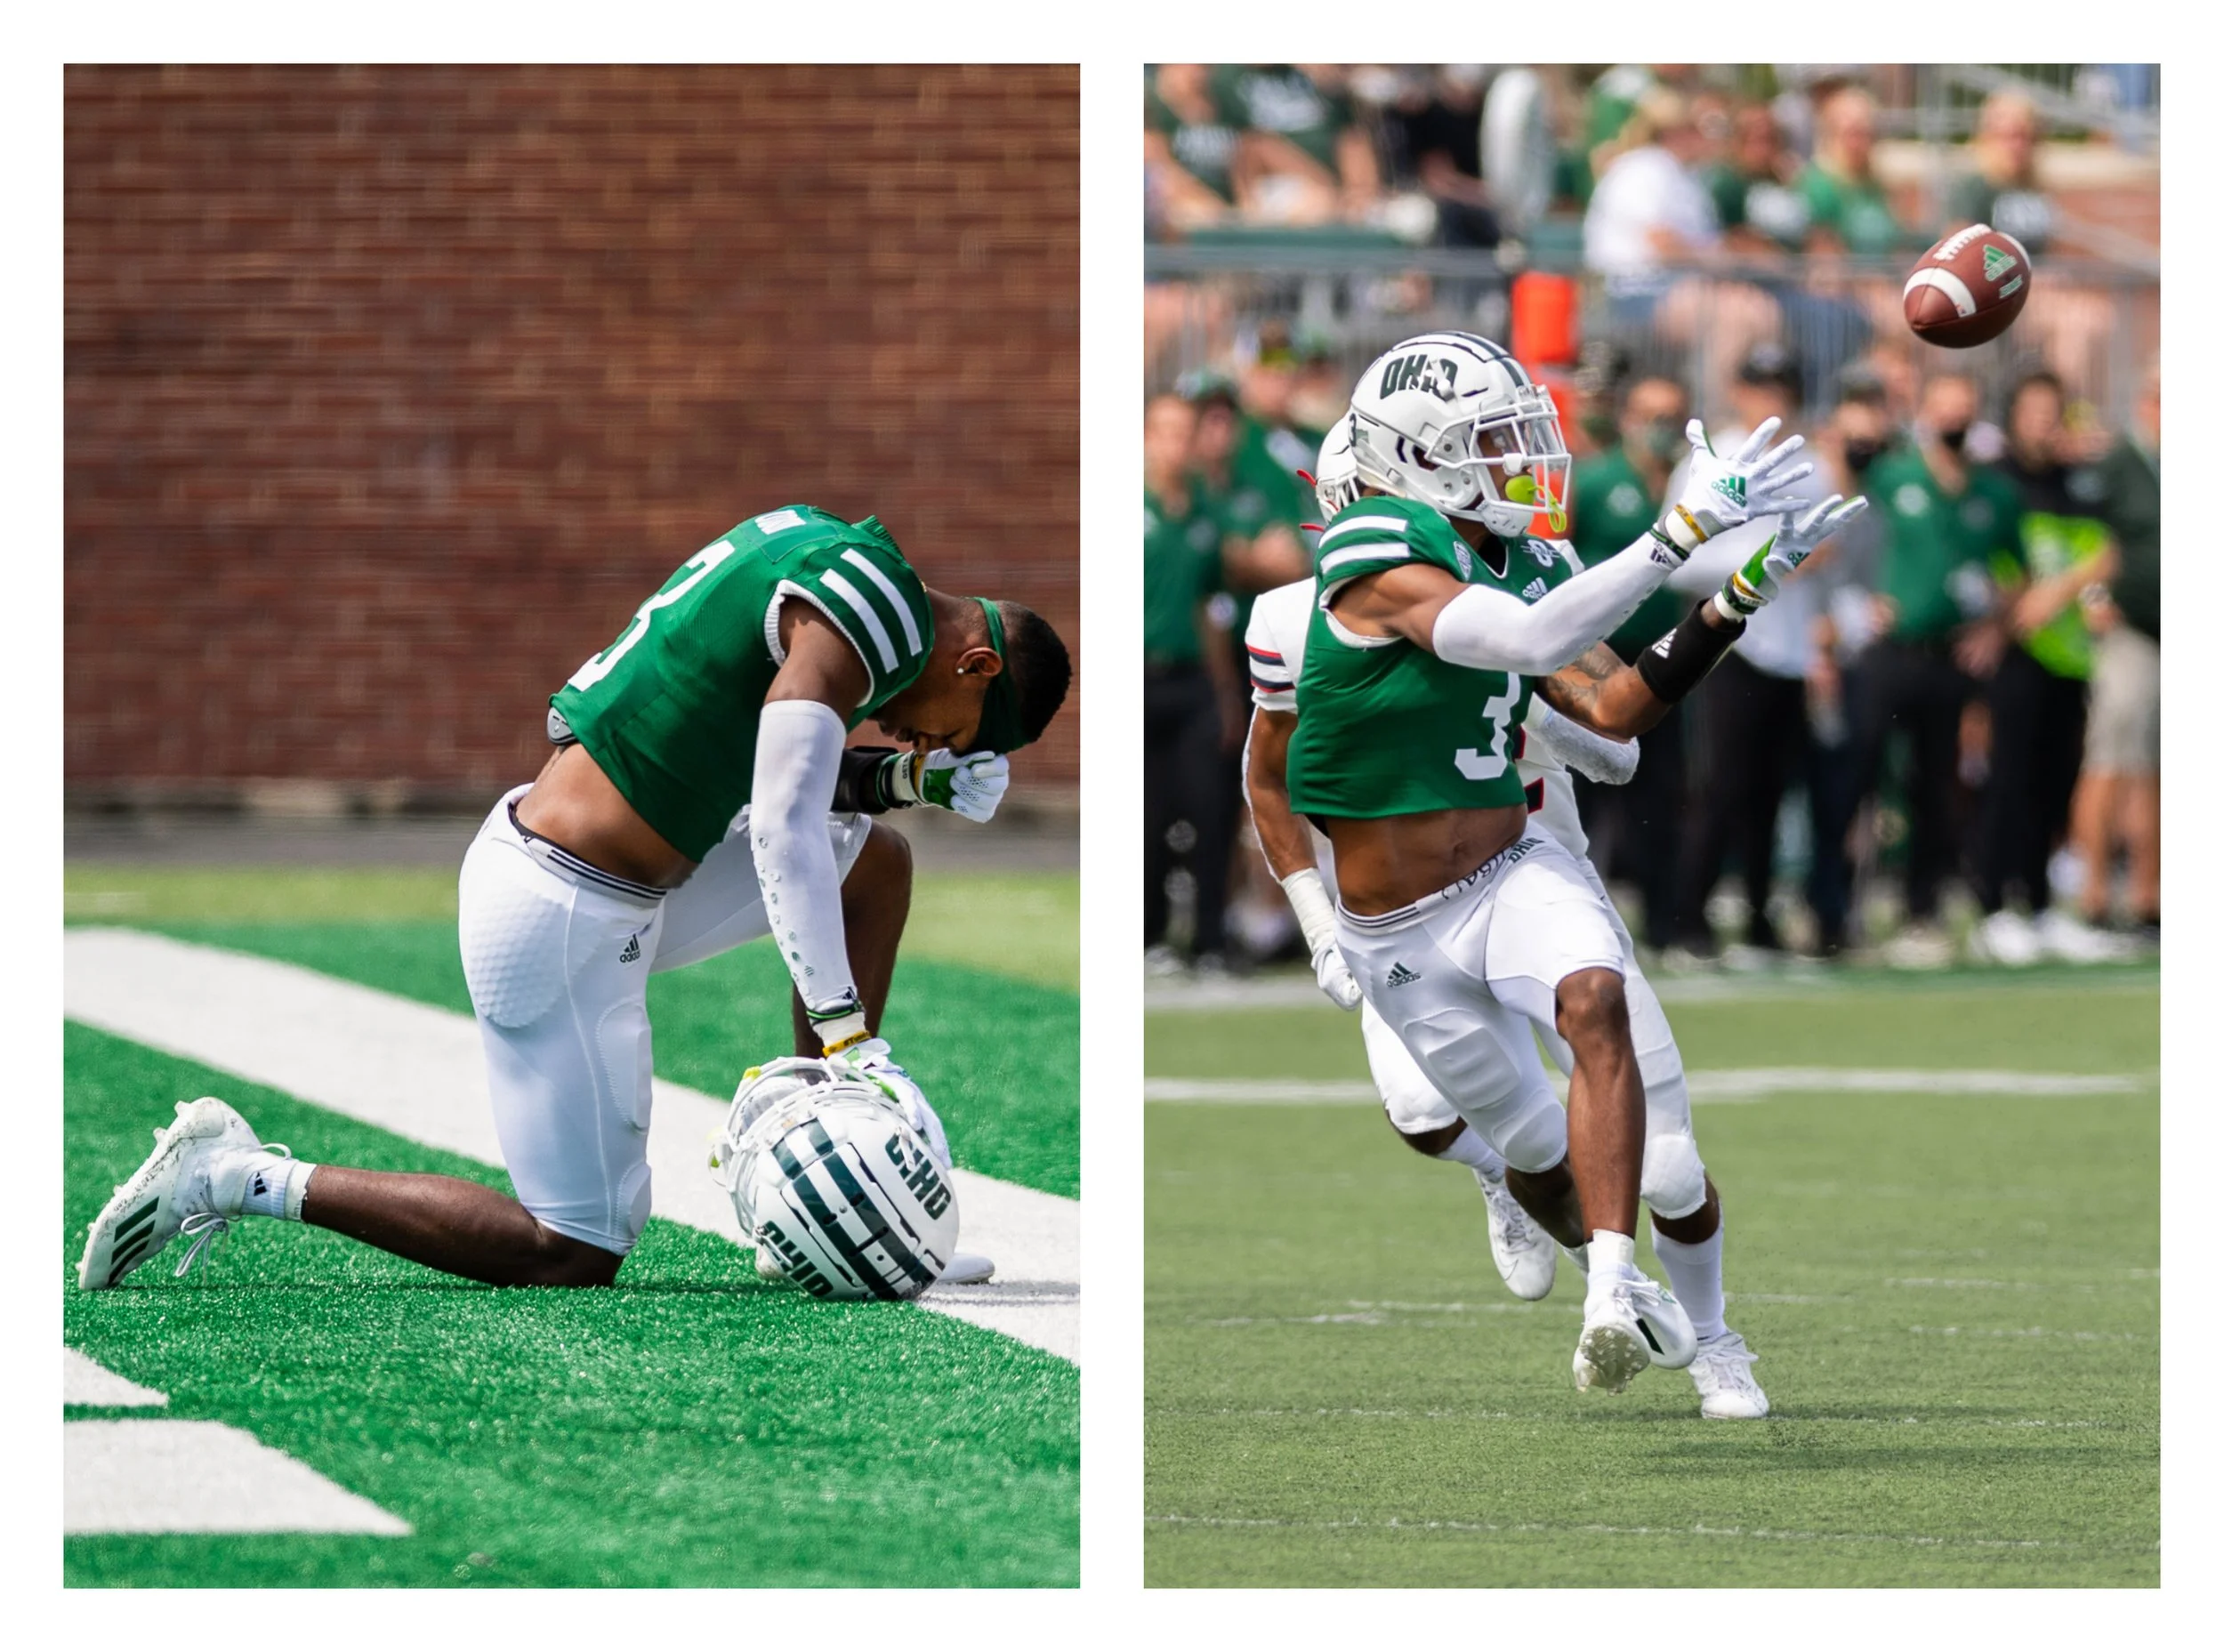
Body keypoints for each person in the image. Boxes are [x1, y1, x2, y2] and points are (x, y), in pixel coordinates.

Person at [79, 505, 1071, 1293]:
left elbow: (751, 769)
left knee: (875, 865)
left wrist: (905, 784)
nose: (918, 739)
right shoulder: (877, 616)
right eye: (950, 734)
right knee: (572, 1248)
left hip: (615, 880)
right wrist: (848, 1035)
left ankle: (815, 1165)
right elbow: (780, 821)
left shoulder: (839, 564)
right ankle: (232, 1174)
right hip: (556, 912)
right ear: (976, 664)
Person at [1241, 425, 1851, 1416]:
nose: (1510, 469)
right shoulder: (1315, 599)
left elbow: (1614, 734)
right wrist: (1314, 923)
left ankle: (1706, 1338)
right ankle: (1531, 1200)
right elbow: (1267, 774)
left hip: (1526, 866)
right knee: (1436, 1120)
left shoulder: (1525, 569)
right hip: (1392, 916)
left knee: (1666, 1155)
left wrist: (1726, 602)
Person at [1664, 342, 1847, 963]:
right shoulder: (1710, 458)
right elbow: (1674, 556)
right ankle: (1688, 917)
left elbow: (1823, 557)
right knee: (1721, 785)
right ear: (1739, 392)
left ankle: (1760, 914)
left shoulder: (1811, 465)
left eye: (1782, 389)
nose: (1771, 400)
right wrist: (1764, 561)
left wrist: (1820, 622)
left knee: (1772, 788)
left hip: (1789, 646)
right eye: (1761, 387)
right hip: (1726, 640)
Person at [1852, 372, 2024, 966]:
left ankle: (1921, 907)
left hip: (1949, 655)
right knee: (1861, 770)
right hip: (1891, 649)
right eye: (1944, 407)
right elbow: (1843, 532)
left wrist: (1995, 627)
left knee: (1937, 785)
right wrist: (1860, 596)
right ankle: (1839, 905)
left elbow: (2017, 570)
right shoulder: (1893, 475)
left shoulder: (1992, 492)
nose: (1953, 419)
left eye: (1963, 409)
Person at [1969, 370, 2129, 964]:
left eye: (2051, 411)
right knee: (2008, 780)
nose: (2042, 422)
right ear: (2013, 416)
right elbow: (1986, 556)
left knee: (2054, 782)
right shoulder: (1997, 482)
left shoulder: (2076, 484)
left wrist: (2072, 592)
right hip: (2016, 650)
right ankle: (1993, 908)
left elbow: (2103, 552)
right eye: (2032, 410)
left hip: (2069, 654)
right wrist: (2013, 606)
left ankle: (2038, 906)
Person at [1567, 372, 1694, 949]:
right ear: (1629, 418)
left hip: (1663, 656)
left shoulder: (1690, 483)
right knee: (1582, 789)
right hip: (1598, 655)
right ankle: (1575, 921)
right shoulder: (1597, 481)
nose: (1662, 428)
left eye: (1673, 415)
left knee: (1661, 791)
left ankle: (1665, 922)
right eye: (1652, 415)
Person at [1144, 393, 1245, 973]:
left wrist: (1226, 691)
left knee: (1210, 806)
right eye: (1166, 432)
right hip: (1141, 677)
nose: (1177, 445)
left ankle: (1211, 938)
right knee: (1150, 814)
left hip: (1194, 680)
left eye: (1186, 433)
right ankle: (1151, 935)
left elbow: (1212, 607)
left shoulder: (1205, 512)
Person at [2070, 359, 2161, 938]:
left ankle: (2150, 898)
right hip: (2132, 631)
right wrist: (2093, 594)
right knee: (2113, 758)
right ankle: (2095, 895)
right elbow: (2082, 537)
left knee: (2158, 765)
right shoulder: (2119, 466)